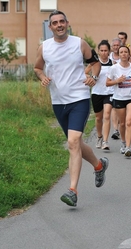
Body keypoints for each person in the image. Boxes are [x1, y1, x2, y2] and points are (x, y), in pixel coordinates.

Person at [34, 10, 108, 207]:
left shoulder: (78, 43)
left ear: (67, 23)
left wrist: (94, 76)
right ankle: (99, 166)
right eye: (55, 23)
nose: (59, 25)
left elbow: (94, 62)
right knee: (75, 143)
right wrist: (43, 78)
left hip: (79, 98)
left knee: (73, 141)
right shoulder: (45, 47)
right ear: (50, 27)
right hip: (58, 101)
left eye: (62, 21)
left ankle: (72, 190)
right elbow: (37, 68)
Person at [107, 45, 131, 157]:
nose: (123, 54)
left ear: (128, 54)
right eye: (121, 52)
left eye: (125, 52)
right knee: (122, 123)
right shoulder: (114, 68)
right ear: (119, 54)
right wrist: (117, 80)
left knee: (128, 121)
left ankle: (128, 147)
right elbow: (107, 83)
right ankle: (123, 142)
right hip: (118, 98)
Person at [85, 40, 114, 150]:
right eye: (101, 50)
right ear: (98, 51)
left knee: (107, 115)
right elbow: (85, 73)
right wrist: (91, 78)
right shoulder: (94, 64)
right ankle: (99, 136)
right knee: (98, 118)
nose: (103, 53)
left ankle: (105, 141)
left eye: (106, 50)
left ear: (109, 51)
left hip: (109, 92)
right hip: (97, 92)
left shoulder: (113, 64)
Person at [109, 38, 122, 140]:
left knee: (120, 110)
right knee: (113, 108)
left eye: (118, 45)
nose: (116, 47)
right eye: (114, 45)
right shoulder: (109, 57)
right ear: (111, 47)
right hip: (111, 86)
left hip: (123, 87)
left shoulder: (124, 56)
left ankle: (122, 126)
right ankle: (115, 129)